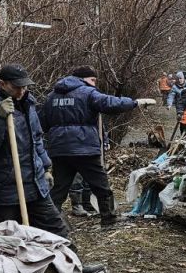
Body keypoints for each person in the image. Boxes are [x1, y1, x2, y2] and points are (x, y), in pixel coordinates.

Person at [0, 63, 103, 273]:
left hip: (34, 181)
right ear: (2, 84)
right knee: (4, 240)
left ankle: (72, 268)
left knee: (56, 228)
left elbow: (36, 139)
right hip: (5, 188)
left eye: (24, 86)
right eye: (16, 87)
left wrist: (46, 167)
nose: (21, 91)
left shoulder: (27, 103)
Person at [40, 66, 156, 228]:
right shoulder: (87, 93)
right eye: (93, 80)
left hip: (60, 149)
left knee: (59, 188)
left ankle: (48, 222)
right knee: (101, 186)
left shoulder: (52, 97)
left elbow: (42, 124)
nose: (94, 84)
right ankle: (108, 220)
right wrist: (135, 103)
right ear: (83, 79)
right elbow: (111, 103)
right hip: (84, 148)